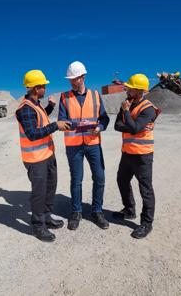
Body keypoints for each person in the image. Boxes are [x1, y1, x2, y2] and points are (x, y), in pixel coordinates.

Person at [16, 70, 71, 242]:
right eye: (43, 86)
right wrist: (56, 125)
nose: (45, 88)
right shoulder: (25, 109)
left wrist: (51, 107)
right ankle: (38, 226)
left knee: (50, 188)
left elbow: (40, 119)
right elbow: (32, 133)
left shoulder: (36, 105)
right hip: (35, 159)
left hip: (47, 155)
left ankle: (47, 217)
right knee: (39, 193)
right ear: (35, 88)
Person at [58, 61, 110, 230]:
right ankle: (76, 212)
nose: (72, 81)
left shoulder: (95, 95)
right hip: (73, 145)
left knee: (100, 178)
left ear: (83, 77)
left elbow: (105, 119)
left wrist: (99, 127)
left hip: (93, 143)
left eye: (75, 78)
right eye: (71, 79)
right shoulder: (64, 97)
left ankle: (97, 211)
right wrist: (79, 123)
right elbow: (62, 121)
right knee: (76, 180)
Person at [113, 73, 160, 239]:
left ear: (139, 91)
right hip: (127, 153)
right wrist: (128, 119)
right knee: (122, 180)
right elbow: (117, 126)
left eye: (130, 88)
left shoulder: (148, 109)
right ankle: (129, 210)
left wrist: (126, 114)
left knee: (145, 189)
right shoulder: (128, 104)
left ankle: (146, 223)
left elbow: (134, 128)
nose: (127, 89)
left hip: (142, 156)